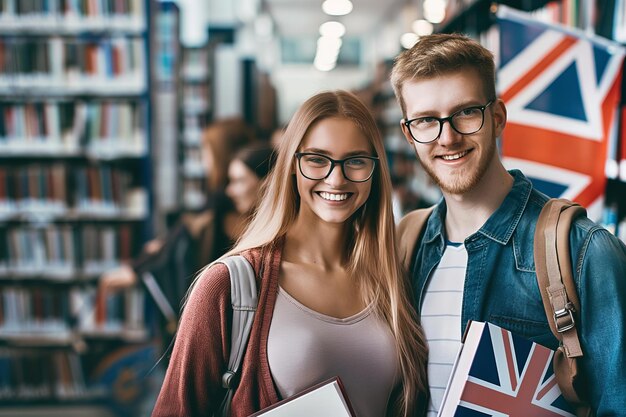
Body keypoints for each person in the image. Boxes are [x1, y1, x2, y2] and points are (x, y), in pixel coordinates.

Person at [151, 90, 429, 417]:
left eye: (355, 160)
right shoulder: (228, 285)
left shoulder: (392, 279)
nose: (336, 179)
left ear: (375, 171)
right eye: (316, 159)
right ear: (292, 166)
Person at [390, 33, 626, 415]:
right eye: (426, 120)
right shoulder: (407, 245)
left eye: (465, 113)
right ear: (409, 133)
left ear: (497, 118)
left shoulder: (584, 251)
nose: (447, 137)